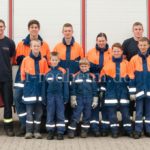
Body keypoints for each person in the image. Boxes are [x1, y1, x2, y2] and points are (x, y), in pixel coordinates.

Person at [13, 19, 50, 136]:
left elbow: (47, 63)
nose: (34, 29)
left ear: (38, 29)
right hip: (23, 77)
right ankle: (25, 126)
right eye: (32, 27)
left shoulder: (45, 45)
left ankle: (37, 127)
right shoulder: (21, 44)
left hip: (38, 79)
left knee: (39, 101)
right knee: (18, 99)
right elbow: (17, 61)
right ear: (28, 29)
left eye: (36, 27)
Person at [53, 23, 84, 124]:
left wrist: (77, 74)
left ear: (72, 32)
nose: (67, 32)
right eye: (65, 31)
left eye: (69, 30)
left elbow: (82, 64)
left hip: (74, 79)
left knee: (74, 101)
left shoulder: (78, 47)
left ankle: (72, 124)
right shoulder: (57, 47)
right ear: (62, 32)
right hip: (61, 79)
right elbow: (53, 62)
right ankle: (64, 125)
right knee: (63, 101)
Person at [100, 43, 132, 138]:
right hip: (111, 91)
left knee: (126, 114)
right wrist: (102, 91)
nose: (116, 52)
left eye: (118, 51)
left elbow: (131, 77)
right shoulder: (108, 64)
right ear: (112, 52)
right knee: (112, 115)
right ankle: (114, 131)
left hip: (123, 92)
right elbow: (103, 78)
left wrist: (131, 92)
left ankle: (128, 131)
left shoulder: (127, 63)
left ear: (122, 52)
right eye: (114, 51)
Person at [20, 39, 49, 139]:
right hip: (29, 91)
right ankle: (28, 131)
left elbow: (45, 75)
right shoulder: (25, 60)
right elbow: (22, 75)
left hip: (40, 91)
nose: (36, 48)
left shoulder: (44, 60)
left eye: (38, 46)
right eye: (34, 46)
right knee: (29, 113)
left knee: (39, 113)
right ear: (31, 47)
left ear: (40, 47)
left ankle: (36, 131)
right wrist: (27, 85)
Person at [86, 33, 111, 137]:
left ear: (106, 41)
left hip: (107, 82)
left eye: (103, 40)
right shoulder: (90, 53)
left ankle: (105, 128)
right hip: (94, 82)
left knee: (105, 105)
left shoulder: (111, 53)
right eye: (99, 40)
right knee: (94, 105)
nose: (101, 42)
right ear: (96, 41)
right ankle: (95, 128)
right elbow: (85, 67)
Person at [67, 58, 98, 138]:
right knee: (75, 115)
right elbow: (73, 89)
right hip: (79, 99)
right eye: (82, 66)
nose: (84, 68)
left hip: (89, 99)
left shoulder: (92, 76)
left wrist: (95, 100)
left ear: (89, 66)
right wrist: (73, 100)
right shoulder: (76, 76)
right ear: (79, 66)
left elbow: (95, 89)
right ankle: (71, 131)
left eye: (85, 66)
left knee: (87, 116)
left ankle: (84, 132)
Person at [128, 37, 150, 139]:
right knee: (139, 112)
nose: (143, 47)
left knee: (149, 111)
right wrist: (132, 92)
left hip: (149, 90)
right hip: (139, 91)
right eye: (141, 45)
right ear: (138, 46)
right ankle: (138, 130)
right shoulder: (134, 59)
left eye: (145, 45)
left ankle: (148, 130)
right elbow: (131, 76)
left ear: (148, 46)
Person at [122, 21, 144, 123]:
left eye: (140, 29)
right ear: (133, 31)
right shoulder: (127, 43)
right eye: (136, 29)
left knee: (143, 97)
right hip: (131, 75)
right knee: (131, 96)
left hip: (144, 76)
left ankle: (143, 119)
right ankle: (130, 119)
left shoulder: (147, 42)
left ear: (142, 30)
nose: (138, 31)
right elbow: (123, 59)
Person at [45, 52, 69, 140]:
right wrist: (44, 98)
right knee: (50, 114)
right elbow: (44, 86)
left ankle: (60, 132)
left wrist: (66, 97)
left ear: (59, 60)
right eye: (52, 60)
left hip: (60, 96)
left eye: (56, 60)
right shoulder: (47, 72)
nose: (54, 61)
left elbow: (65, 85)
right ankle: (50, 131)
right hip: (50, 96)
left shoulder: (62, 71)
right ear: (49, 61)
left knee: (60, 114)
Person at [0, 19, 15, 136]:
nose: (0, 28)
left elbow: (11, 57)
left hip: (6, 79)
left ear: (4, 28)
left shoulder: (9, 42)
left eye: (1, 26)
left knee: (8, 104)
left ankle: (9, 127)